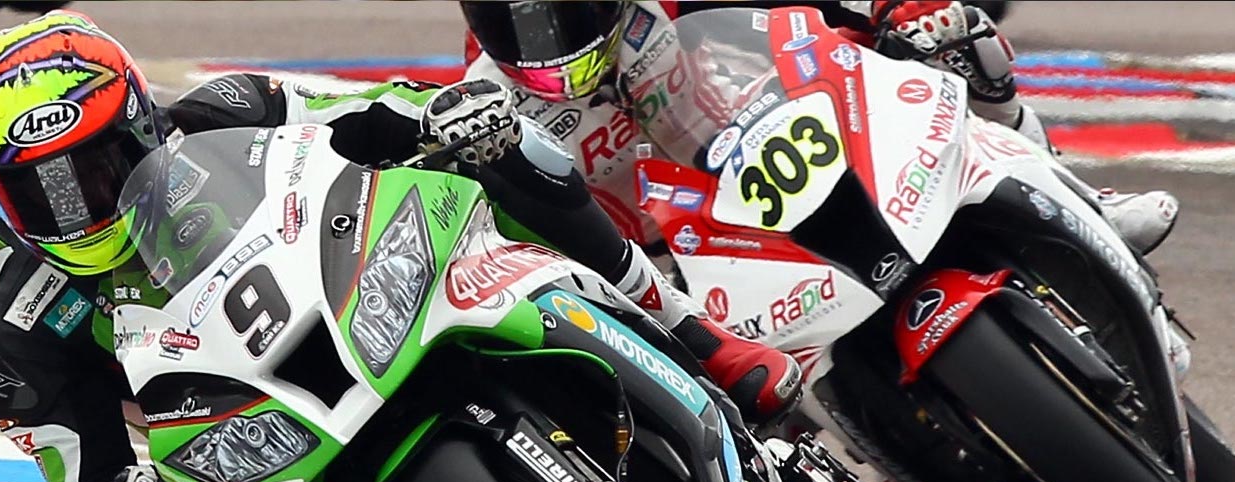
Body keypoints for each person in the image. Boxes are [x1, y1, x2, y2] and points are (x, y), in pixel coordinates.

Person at [0, 10, 806, 482]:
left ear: (141, 123)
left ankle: (698, 339)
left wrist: (432, 118)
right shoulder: (20, 334)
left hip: (351, 300)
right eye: (44, 191)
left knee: (506, 153)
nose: (81, 207)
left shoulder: (222, 109)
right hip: (238, 433)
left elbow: (355, 112)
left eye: (98, 168)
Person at [457, 2, 1180, 261]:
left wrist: (898, 8)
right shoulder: (487, 97)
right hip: (677, 246)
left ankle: (1082, 206)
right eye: (517, 20)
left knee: (960, 39)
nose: (544, 39)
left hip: (775, 127)